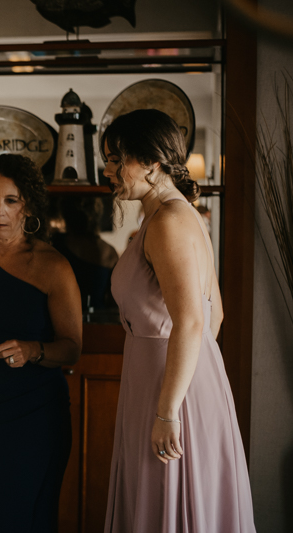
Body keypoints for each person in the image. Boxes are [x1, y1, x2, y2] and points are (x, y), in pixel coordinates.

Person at [101, 109, 255, 532]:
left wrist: (170, 408)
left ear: (151, 162)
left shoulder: (168, 221)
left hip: (168, 388)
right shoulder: (172, 213)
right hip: (172, 378)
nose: (108, 168)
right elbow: (215, 315)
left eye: (117, 158)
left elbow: (191, 322)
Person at [0, 154, 82, 532]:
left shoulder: (52, 265)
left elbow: (72, 347)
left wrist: (33, 350)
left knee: (27, 517)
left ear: (28, 204)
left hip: (35, 416)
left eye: (11, 200)